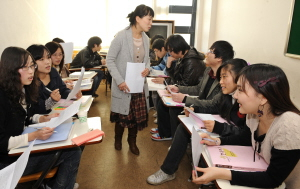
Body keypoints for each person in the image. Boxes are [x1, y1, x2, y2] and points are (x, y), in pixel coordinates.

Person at [195, 64, 300, 188]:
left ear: (262, 98)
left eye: (240, 90)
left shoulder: (289, 125)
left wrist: (222, 173)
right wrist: (217, 141)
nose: (235, 95)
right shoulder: (254, 115)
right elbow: (245, 139)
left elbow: (272, 179)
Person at [147, 58, 248, 185]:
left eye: (224, 77)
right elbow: (214, 106)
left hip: (231, 138)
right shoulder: (226, 93)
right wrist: (195, 109)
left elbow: (245, 135)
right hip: (221, 129)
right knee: (183, 128)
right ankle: (167, 170)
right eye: (220, 78)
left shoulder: (247, 102)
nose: (221, 82)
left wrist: (219, 128)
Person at [0, 47, 81, 189]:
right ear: (11, 69)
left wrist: (41, 119)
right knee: (72, 152)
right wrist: (33, 136)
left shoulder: (22, 89)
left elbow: (25, 118)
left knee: (72, 144)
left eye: (32, 65)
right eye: (25, 67)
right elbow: (1, 143)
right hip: (7, 162)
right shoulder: (2, 97)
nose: (31, 71)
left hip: (20, 150)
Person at [151, 40, 234, 140]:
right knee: (169, 107)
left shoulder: (224, 80)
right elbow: (198, 88)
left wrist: (185, 99)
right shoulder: (208, 71)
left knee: (174, 111)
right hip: (200, 105)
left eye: (211, 51)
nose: (207, 53)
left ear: (220, 58)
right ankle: (170, 136)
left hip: (209, 111)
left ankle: (170, 136)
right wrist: (178, 88)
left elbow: (212, 104)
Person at [106, 4, 154, 155]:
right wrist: (120, 81)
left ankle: (132, 142)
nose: (151, 23)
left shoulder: (146, 39)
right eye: (149, 19)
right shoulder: (121, 36)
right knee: (122, 115)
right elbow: (110, 60)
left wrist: (147, 68)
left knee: (135, 117)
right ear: (138, 18)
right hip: (124, 85)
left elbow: (147, 60)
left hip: (138, 84)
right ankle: (118, 139)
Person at [27, 44, 82, 114]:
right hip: (43, 119)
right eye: (41, 59)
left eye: (48, 57)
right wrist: (51, 101)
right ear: (31, 63)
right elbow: (33, 109)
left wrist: (73, 94)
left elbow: (63, 90)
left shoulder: (53, 72)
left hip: (59, 113)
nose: (47, 62)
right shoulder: (30, 81)